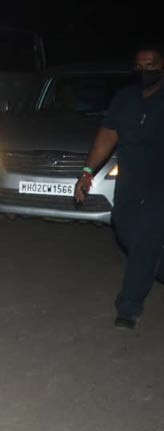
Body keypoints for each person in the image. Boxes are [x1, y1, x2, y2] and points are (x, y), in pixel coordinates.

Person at [75, 44, 164, 330]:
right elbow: (107, 136)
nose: (144, 71)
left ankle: (129, 306)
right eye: (139, 66)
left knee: (146, 240)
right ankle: (155, 268)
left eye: (150, 65)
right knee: (124, 229)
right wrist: (87, 172)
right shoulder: (125, 98)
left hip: (160, 182)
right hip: (130, 181)